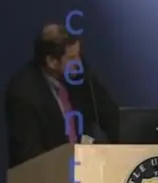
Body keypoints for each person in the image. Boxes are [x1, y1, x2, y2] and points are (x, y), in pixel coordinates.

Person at [5, 23, 119, 168]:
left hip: (86, 170)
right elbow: (30, 157)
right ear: (51, 61)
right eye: (72, 58)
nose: (79, 63)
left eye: (79, 55)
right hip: (48, 174)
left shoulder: (81, 77)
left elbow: (111, 116)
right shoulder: (23, 93)